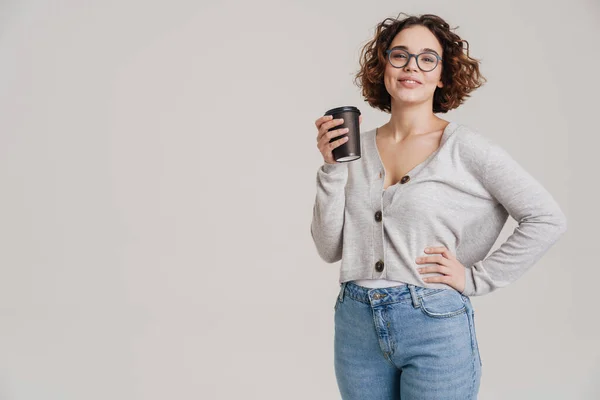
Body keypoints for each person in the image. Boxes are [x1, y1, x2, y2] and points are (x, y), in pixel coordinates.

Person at [310, 12, 567, 400]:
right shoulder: (355, 149)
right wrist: (331, 170)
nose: (412, 66)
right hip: (355, 324)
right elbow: (330, 248)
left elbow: (547, 218)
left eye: (427, 58)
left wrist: (475, 277)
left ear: (442, 75)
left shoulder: (466, 148)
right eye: (400, 56)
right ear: (384, 66)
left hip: (433, 320)